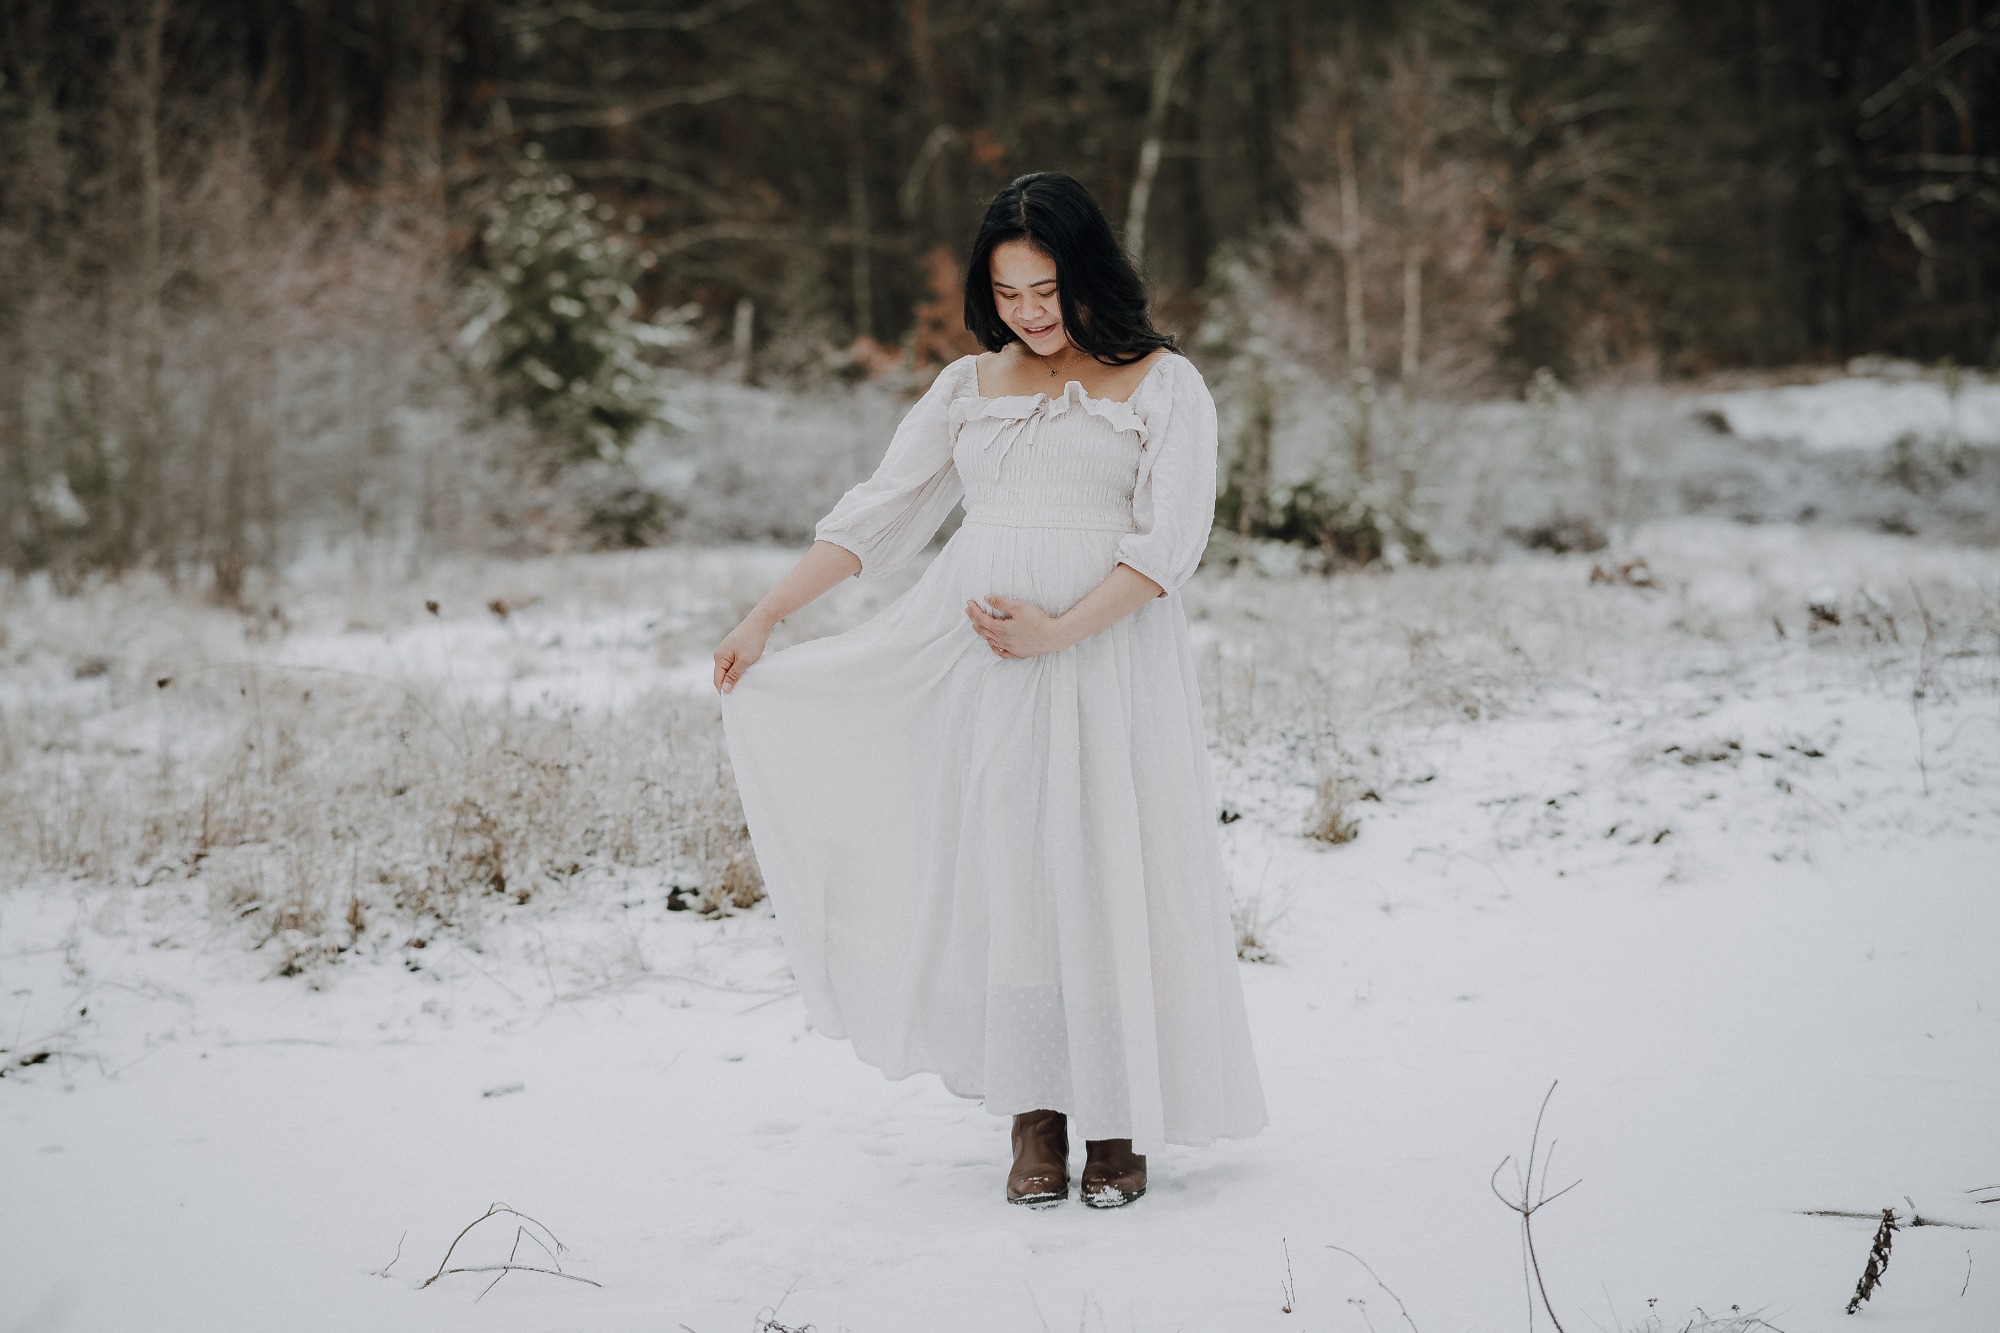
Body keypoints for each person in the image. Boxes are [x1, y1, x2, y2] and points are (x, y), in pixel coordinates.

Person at [713, 171, 1266, 1208]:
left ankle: (1115, 1116)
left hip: (1106, 660)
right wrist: (766, 614)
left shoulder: (1162, 385)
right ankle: (1035, 1111)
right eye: (1008, 294)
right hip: (983, 669)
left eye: (1047, 289)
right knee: (1015, 869)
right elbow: (880, 513)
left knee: (1103, 865)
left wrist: (1058, 630)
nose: (1030, 313)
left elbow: (1171, 546)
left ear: (1090, 272)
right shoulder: (967, 387)